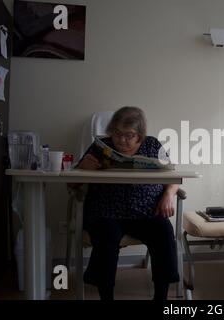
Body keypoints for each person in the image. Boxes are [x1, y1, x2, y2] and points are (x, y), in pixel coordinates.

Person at [76, 106, 179, 301]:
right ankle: (106, 297)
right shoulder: (101, 147)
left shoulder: (153, 146)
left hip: (146, 213)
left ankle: (161, 297)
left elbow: (173, 177)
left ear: (140, 135)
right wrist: (82, 168)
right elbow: (73, 184)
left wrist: (168, 195)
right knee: (105, 237)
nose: (121, 140)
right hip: (106, 213)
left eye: (129, 135)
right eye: (117, 133)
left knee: (164, 231)